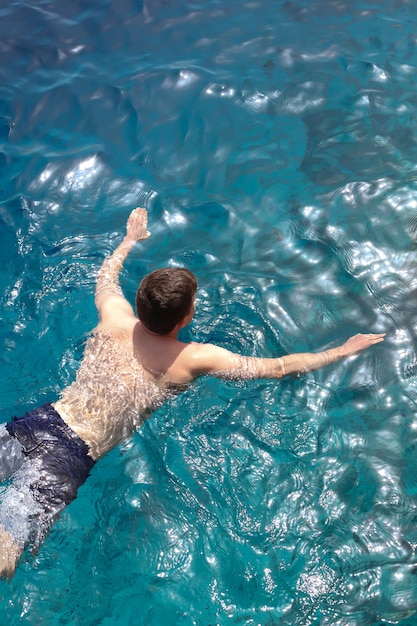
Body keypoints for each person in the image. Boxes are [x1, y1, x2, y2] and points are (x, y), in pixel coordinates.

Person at [0, 208, 385, 579]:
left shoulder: (115, 316)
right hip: (69, 455)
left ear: (138, 303)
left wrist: (129, 239)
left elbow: (106, 278)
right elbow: (278, 368)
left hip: (40, 422)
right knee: (6, 549)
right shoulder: (192, 359)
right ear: (186, 318)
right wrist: (340, 350)